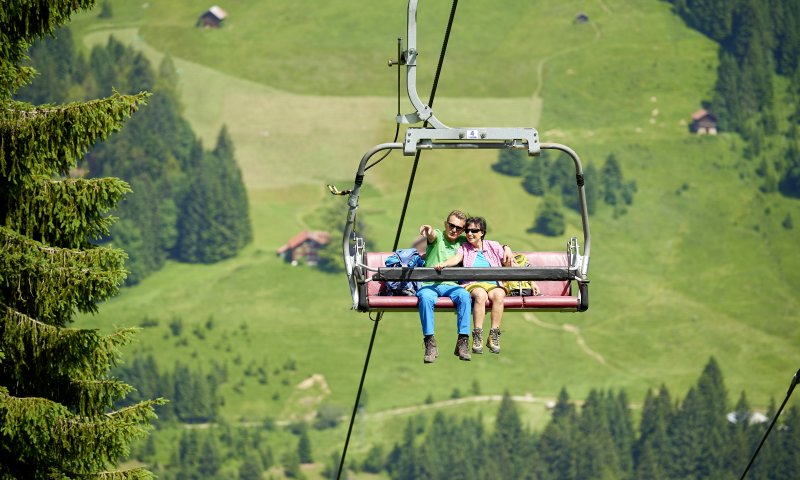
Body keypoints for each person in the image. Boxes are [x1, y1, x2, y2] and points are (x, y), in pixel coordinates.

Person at [417, 211, 513, 363]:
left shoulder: (464, 241)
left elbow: (485, 243)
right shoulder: (439, 236)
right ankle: (430, 341)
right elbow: (432, 236)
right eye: (451, 225)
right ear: (445, 224)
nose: (455, 230)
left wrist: (506, 247)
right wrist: (428, 231)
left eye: (460, 228)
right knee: (425, 297)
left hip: (452, 285)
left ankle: (463, 340)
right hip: (431, 284)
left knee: (463, 296)